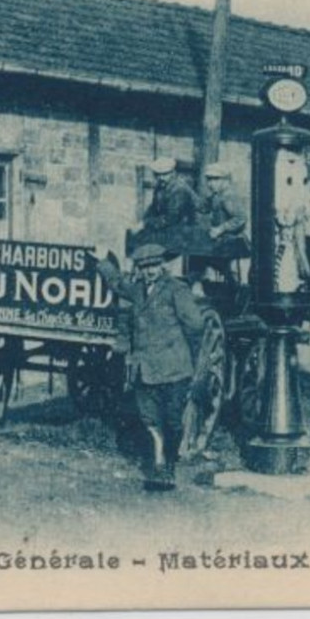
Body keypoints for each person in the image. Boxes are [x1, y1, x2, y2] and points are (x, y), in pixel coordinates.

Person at [97, 242, 205, 492]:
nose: (150, 271)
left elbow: (196, 325)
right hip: (145, 368)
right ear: (140, 269)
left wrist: (188, 356)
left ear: (163, 265)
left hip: (174, 369)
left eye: (154, 266)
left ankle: (169, 462)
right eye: (144, 267)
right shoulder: (137, 291)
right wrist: (103, 261)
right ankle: (159, 465)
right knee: (149, 418)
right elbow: (116, 283)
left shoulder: (176, 290)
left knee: (173, 421)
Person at [140, 157, 200, 237]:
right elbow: (153, 207)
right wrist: (144, 220)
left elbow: (172, 218)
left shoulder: (179, 189)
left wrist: (146, 224)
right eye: (157, 175)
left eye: (165, 174)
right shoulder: (161, 186)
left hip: (188, 229)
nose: (161, 178)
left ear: (173, 173)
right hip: (172, 227)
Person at [201, 163, 248, 243]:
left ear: (225, 180)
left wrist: (220, 229)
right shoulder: (217, 194)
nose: (211, 183)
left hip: (231, 240)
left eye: (216, 179)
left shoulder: (228, 195)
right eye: (209, 179)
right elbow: (204, 208)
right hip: (221, 239)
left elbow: (241, 218)